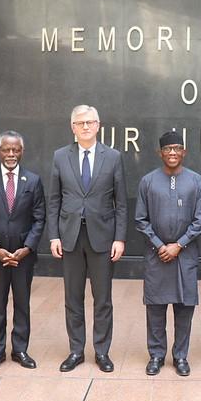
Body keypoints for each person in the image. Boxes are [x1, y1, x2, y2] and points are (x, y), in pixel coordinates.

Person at [47, 105, 128, 373]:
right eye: (80, 123)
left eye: (90, 122)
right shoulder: (60, 156)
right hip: (69, 237)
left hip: (103, 238)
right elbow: (54, 200)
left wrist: (120, 238)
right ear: (72, 127)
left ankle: (102, 351)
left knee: (102, 298)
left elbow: (121, 202)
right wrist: (54, 235)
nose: (85, 127)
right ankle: (76, 350)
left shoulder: (113, 157)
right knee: (73, 297)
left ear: (98, 125)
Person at [135, 130, 201, 376]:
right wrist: (160, 244)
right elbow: (141, 220)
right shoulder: (148, 181)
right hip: (157, 255)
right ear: (160, 152)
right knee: (155, 307)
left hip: (185, 255)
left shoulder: (196, 181)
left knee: (184, 308)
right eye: (168, 149)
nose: (173, 153)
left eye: (177, 148)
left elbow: (200, 221)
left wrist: (179, 245)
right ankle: (156, 355)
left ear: (184, 151)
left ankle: (180, 356)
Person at [0, 130, 46, 372]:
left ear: (22, 152)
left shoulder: (33, 181)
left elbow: (39, 219)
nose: (11, 154)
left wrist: (27, 248)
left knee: (22, 303)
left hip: (24, 257)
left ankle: (20, 349)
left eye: (16, 150)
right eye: (7, 149)